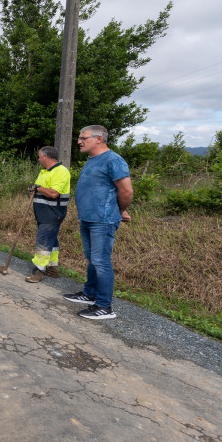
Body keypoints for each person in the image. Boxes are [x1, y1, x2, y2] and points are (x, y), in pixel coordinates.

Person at [64, 125, 133, 320]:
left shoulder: (114, 160)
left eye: (83, 137)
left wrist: (119, 211)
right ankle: (89, 293)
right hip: (88, 218)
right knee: (92, 259)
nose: (79, 141)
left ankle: (104, 306)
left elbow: (126, 191)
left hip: (102, 220)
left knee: (101, 261)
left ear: (99, 139)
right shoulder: (92, 160)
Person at [25, 146, 70, 283]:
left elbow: (53, 193)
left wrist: (38, 187)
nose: (38, 159)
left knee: (43, 240)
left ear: (46, 157)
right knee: (52, 239)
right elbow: (40, 190)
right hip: (43, 213)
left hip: (53, 213)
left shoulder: (61, 172)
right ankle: (52, 267)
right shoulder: (44, 172)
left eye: (39, 157)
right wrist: (33, 189)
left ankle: (38, 270)